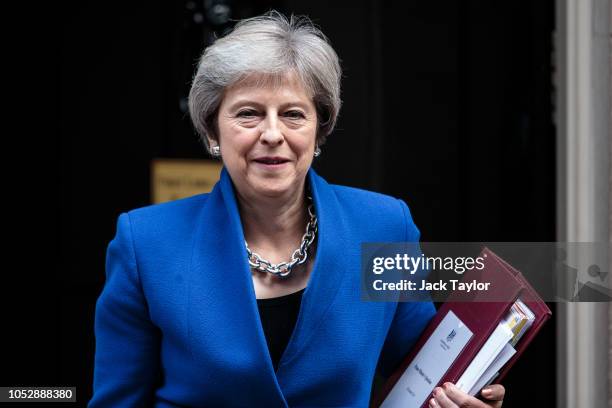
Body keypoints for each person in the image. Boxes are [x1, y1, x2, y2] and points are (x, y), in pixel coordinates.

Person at [89, 10, 506, 407]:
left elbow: (424, 379)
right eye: (248, 114)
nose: (273, 134)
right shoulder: (146, 242)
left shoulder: (383, 227)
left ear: (319, 129)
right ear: (212, 128)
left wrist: (465, 397)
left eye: (292, 114)